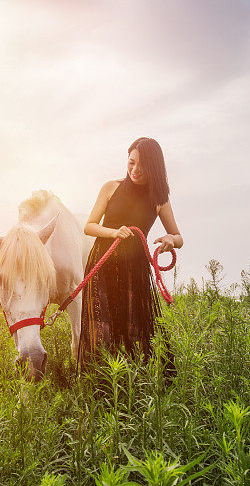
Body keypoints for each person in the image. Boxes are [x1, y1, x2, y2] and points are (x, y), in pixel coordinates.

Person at [78, 137, 183, 376]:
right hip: (102, 265)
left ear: (154, 169)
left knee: (133, 328)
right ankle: (99, 384)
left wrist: (169, 240)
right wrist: (114, 231)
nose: (135, 170)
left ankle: (132, 382)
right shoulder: (110, 188)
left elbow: (178, 237)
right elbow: (90, 226)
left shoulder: (159, 200)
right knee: (101, 326)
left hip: (134, 270)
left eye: (142, 167)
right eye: (131, 163)